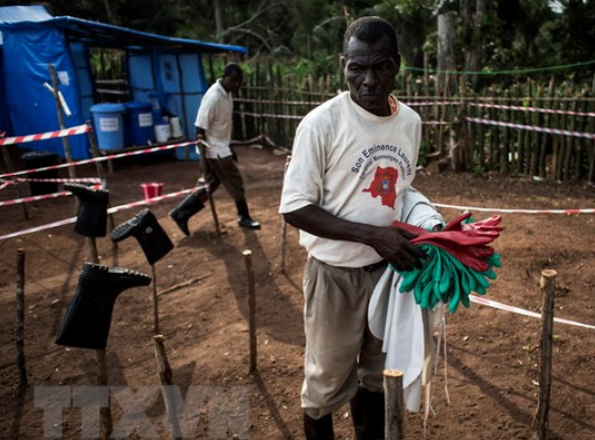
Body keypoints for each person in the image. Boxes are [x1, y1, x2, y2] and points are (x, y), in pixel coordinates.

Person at [279, 16, 429, 440]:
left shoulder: (410, 123)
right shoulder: (321, 124)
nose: (368, 80)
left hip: (389, 275)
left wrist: (423, 226)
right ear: (342, 63)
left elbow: (401, 190)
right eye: (356, 68)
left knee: (378, 376)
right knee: (324, 385)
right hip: (334, 276)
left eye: (380, 67)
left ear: (398, 65)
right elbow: (294, 207)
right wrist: (371, 236)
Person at [170, 63, 260, 236]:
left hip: (222, 146)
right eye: (234, 81)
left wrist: (230, 146)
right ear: (224, 76)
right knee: (235, 181)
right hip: (215, 150)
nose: (236, 85)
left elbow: (223, 126)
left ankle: (181, 213)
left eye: (239, 82)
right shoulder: (213, 96)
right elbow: (200, 126)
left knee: (211, 183)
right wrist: (203, 154)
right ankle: (244, 216)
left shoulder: (227, 93)